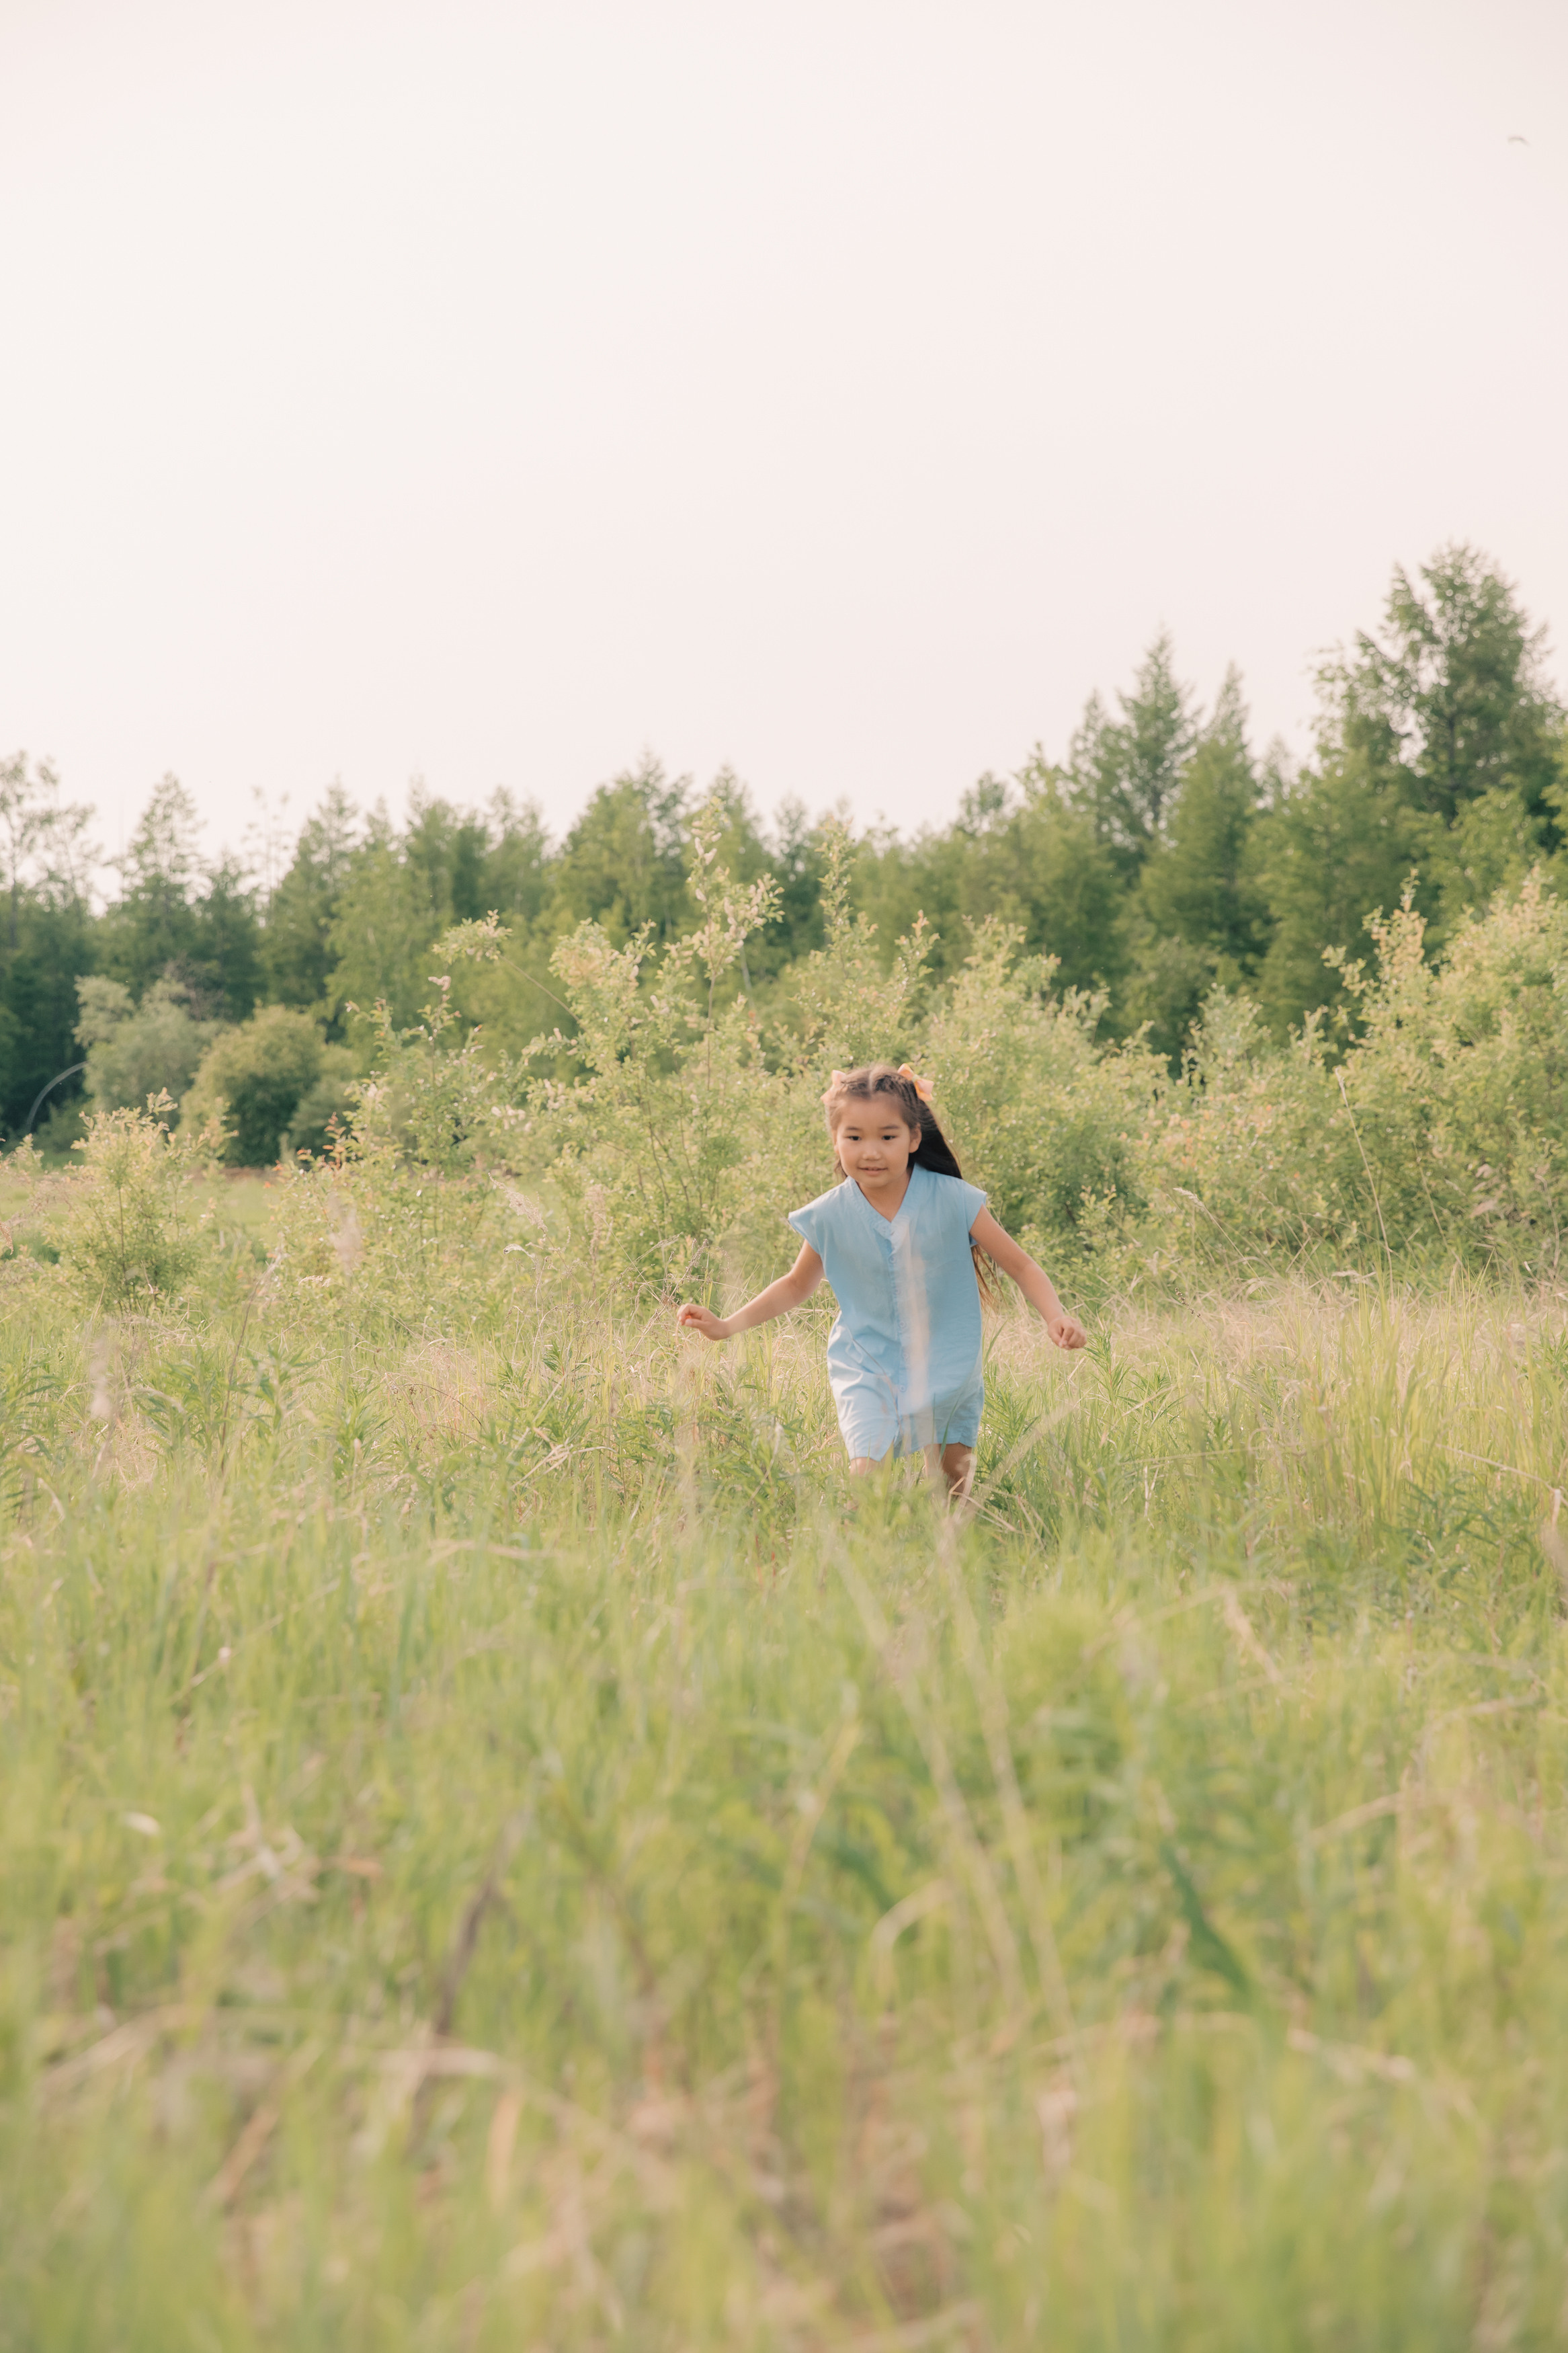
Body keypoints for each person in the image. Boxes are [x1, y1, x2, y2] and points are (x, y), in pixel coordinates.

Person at [677, 1061, 1087, 1501]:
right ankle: (872, 1552)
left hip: (946, 1359)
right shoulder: (830, 1214)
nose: (869, 1151)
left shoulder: (952, 1200)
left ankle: (953, 1551)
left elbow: (1020, 1264)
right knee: (867, 1479)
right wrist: (725, 1326)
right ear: (834, 1140)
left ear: (913, 1138)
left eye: (886, 1137)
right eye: (853, 1137)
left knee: (952, 1485)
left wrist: (1055, 1316)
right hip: (865, 1361)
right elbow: (797, 1284)